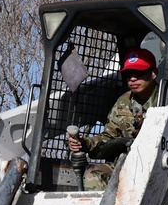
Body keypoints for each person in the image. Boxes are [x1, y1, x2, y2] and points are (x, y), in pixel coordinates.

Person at [67, 48, 159, 190]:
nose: (133, 79)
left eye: (139, 73)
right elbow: (109, 136)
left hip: (157, 168)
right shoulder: (123, 102)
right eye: (129, 74)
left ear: (154, 74)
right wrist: (85, 143)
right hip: (125, 164)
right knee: (93, 174)